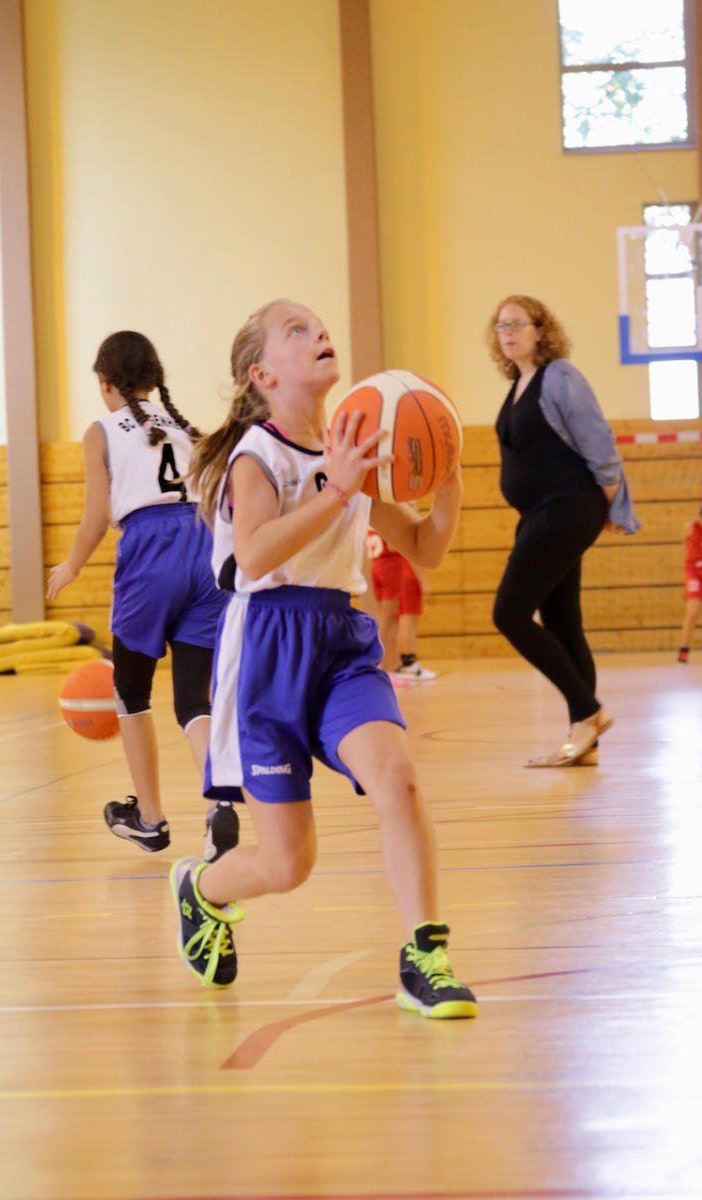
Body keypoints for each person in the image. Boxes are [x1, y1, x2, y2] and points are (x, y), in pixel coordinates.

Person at [170, 298, 477, 1021]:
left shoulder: (356, 448)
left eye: (319, 325)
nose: (319, 333)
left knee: (397, 779)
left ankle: (424, 957)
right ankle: (201, 890)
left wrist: (449, 481)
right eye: (296, 331)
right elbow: (253, 556)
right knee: (288, 865)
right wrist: (338, 489)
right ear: (263, 374)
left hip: (340, 640)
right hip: (266, 647)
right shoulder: (258, 455)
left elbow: (425, 547)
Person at [46, 330, 241, 860]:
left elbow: (95, 517)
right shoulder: (187, 428)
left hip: (152, 550)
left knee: (131, 692)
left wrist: (71, 565)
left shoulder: (100, 431)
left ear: (105, 383)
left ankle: (150, 820)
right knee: (194, 700)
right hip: (206, 546)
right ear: (154, 380)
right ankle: (220, 802)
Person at [486, 295, 640, 768]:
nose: (507, 333)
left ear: (540, 330)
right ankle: (585, 741)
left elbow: (599, 442)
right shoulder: (518, 384)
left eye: (517, 324)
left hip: (566, 507)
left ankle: (588, 711)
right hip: (542, 514)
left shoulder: (559, 376)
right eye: (501, 326)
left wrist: (610, 503)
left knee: (510, 613)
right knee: (562, 623)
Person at [367, 526, 437, 680]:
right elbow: (395, 545)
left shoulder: (371, 521)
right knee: (389, 620)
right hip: (389, 565)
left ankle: (390, 666)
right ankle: (384, 667)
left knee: (384, 619)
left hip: (376, 564)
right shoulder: (389, 518)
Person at [678, 501, 702, 662]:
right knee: (693, 610)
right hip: (694, 572)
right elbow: (686, 547)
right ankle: (684, 650)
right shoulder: (690, 527)